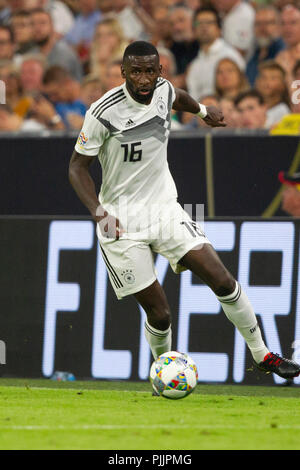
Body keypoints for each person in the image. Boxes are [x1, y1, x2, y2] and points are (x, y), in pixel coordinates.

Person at [69, 40, 300, 383]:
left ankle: (262, 353)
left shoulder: (164, 90)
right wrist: (100, 212)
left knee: (222, 278)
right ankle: (164, 372)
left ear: (160, 71)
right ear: (123, 73)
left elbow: (179, 97)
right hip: (120, 222)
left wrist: (204, 112)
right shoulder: (102, 112)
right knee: (160, 315)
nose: (144, 79)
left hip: (164, 209)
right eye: (136, 72)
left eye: (150, 71)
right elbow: (76, 168)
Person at [186, 6, 245, 101]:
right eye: (199, 23)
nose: (204, 27)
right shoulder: (194, 65)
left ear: (219, 29)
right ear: (194, 30)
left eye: (209, 22)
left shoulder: (231, 55)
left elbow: (242, 89)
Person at [30, 8, 82, 81]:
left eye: (42, 23)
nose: (37, 28)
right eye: (33, 24)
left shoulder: (64, 54)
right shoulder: (32, 54)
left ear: (52, 26)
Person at [246, 5, 285, 87]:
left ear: (279, 26)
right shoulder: (252, 56)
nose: (262, 28)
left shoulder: (284, 54)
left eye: (268, 23)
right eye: (258, 24)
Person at [256, 60, 290, 126]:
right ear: (257, 82)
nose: (267, 82)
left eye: (273, 78)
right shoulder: (248, 108)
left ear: (283, 85)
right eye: (263, 77)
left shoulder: (283, 111)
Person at [276, 5, 300, 87]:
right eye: (283, 23)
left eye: (293, 23)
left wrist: (288, 73)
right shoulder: (280, 56)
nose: (287, 28)